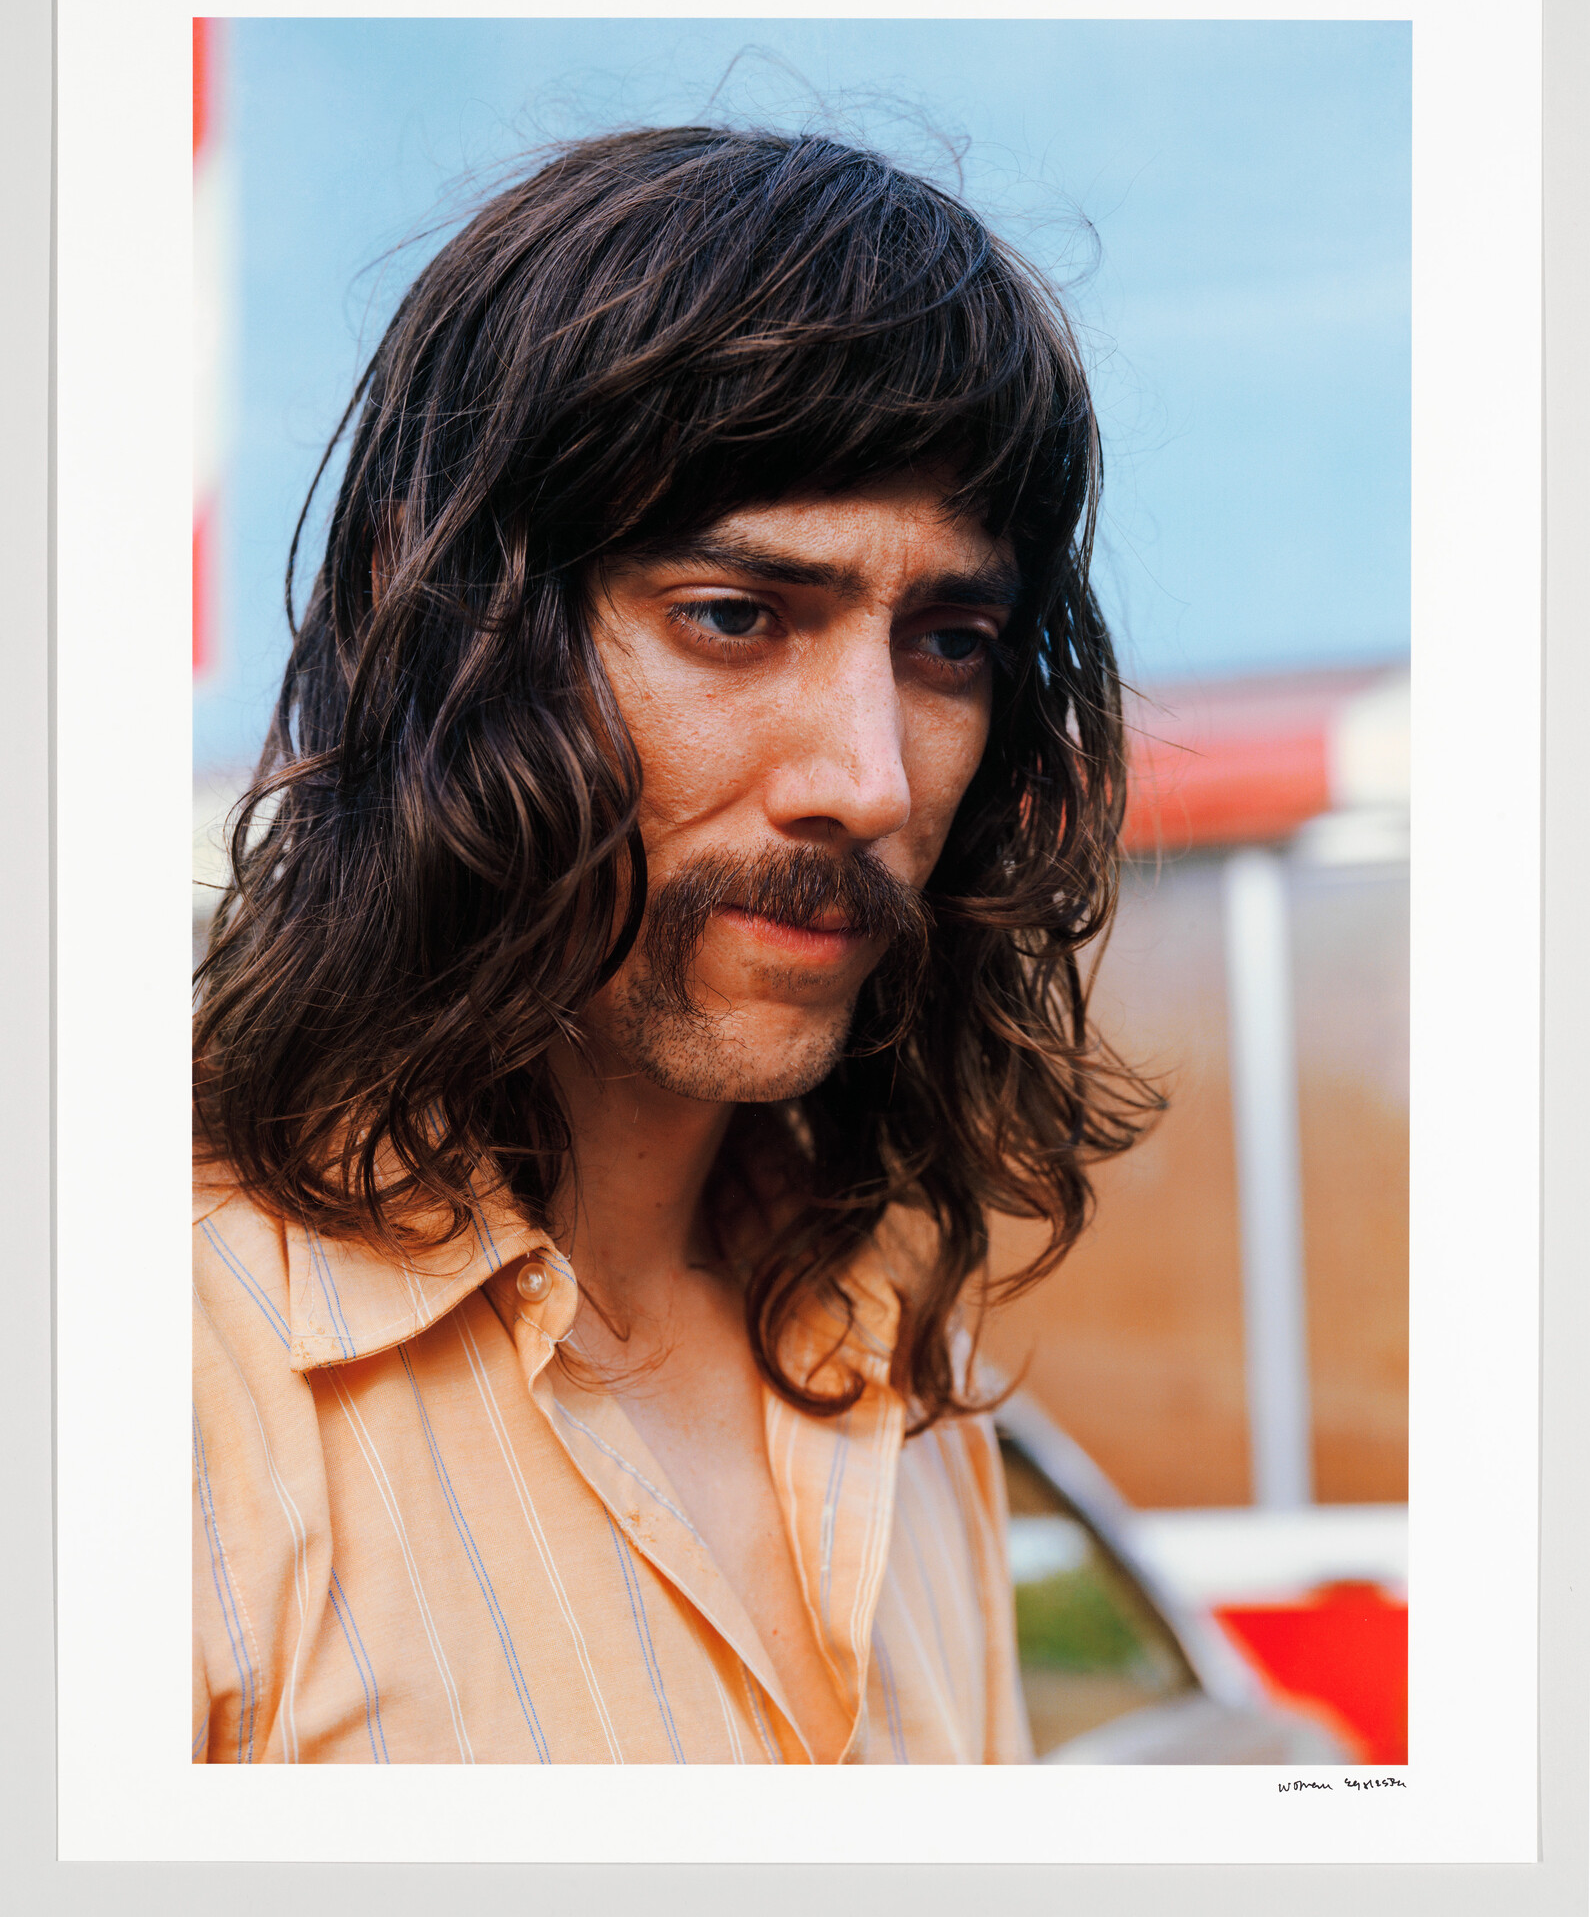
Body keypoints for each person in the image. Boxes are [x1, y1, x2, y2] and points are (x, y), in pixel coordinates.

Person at [191, 125, 1156, 1766]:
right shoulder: (163, 1381)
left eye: (947, 645)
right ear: (450, 636)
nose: (864, 779)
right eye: (734, 616)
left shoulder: (899, 1373)